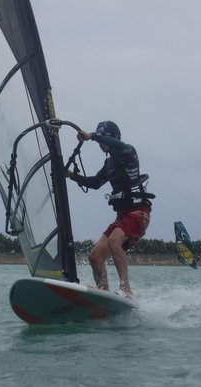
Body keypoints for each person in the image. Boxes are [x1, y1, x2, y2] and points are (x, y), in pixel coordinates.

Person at [66, 121, 154, 299]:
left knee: (115, 241)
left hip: (139, 212)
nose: (100, 143)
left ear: (114, 137)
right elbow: (95, 184)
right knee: (95, 257)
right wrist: (71, 175)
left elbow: (119, 146)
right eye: (99, 140)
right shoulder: (109, 165)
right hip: (122, 217)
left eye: (104, 138)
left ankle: (126, 289)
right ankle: (104, 295)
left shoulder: (128, 152)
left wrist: (92, 136)